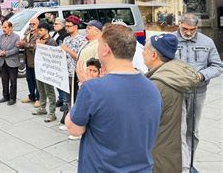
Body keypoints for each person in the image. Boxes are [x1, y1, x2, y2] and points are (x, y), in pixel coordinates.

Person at [65, 23, 162, 172]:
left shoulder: (93, 89)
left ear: (106, 50)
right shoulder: (152, 87)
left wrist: (85, 87)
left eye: (99, 44)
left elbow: (74, 129)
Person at [143, 34, 200, 173]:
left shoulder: (158, 84)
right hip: (177, 150)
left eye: (144, 49)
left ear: (154, 55)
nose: (142, 52)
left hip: (162, 155)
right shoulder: (175, 74)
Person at [173, 13, 222, 172]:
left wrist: (202, 75)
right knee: (178, 129)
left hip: (198, 91)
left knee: (192, 129)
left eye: (192, 30)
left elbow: (217, 66)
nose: (188, 33)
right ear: (179, 24)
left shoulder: (207, 42)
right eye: (185, 29)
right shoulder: (170, 40)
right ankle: (183, 165)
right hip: (177, 91)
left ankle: (190, 162)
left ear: (197, 27)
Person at [32, 23, 58, 122]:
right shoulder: (38, 40)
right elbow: (35, 53)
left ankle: (52, 113)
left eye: (41, 30)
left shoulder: (52, 41)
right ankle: (42, 108)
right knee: (40, 89)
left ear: (47, 30)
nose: (39, 32)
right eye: (38, 30)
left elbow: (53, 56)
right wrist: (37, 46)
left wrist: (42, 47)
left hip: (48, 70)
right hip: (39, 69)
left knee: (49, 91)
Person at [59, 15, 86, 108]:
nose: (66, 28)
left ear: (75, 26)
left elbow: (80, 57)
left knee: (75, 96)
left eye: (68, 26)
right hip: (65, 71)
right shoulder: (66, 39)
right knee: (68, 95)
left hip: (75, 73)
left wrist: (67, 50)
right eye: (65, 26)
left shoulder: (81, 40)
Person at [16, 17, 40, 106]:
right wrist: (20, 44)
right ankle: (31, 96)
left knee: (36, 80)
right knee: (29, 79)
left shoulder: (39, 34)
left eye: (34, 24)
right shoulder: (28, 32)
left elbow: (34, 46)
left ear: (38, 24)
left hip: (36, 60)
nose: (31, 26)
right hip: (28, 60)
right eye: (30, 24)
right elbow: (25, 43)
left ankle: (39, 98)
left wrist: (24, 44)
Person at [0, 20, 21, 106]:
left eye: (5, 27)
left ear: (10, 28)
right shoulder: (1, 37)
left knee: (13, 81)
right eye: (3, 27)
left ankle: (12, 98)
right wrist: (0, 51)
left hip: (12, 62)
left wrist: (6, 53)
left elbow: (16, 49)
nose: (3, 29)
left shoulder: (16, 37)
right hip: (3, 62)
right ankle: (5, 96)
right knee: (4, 80)